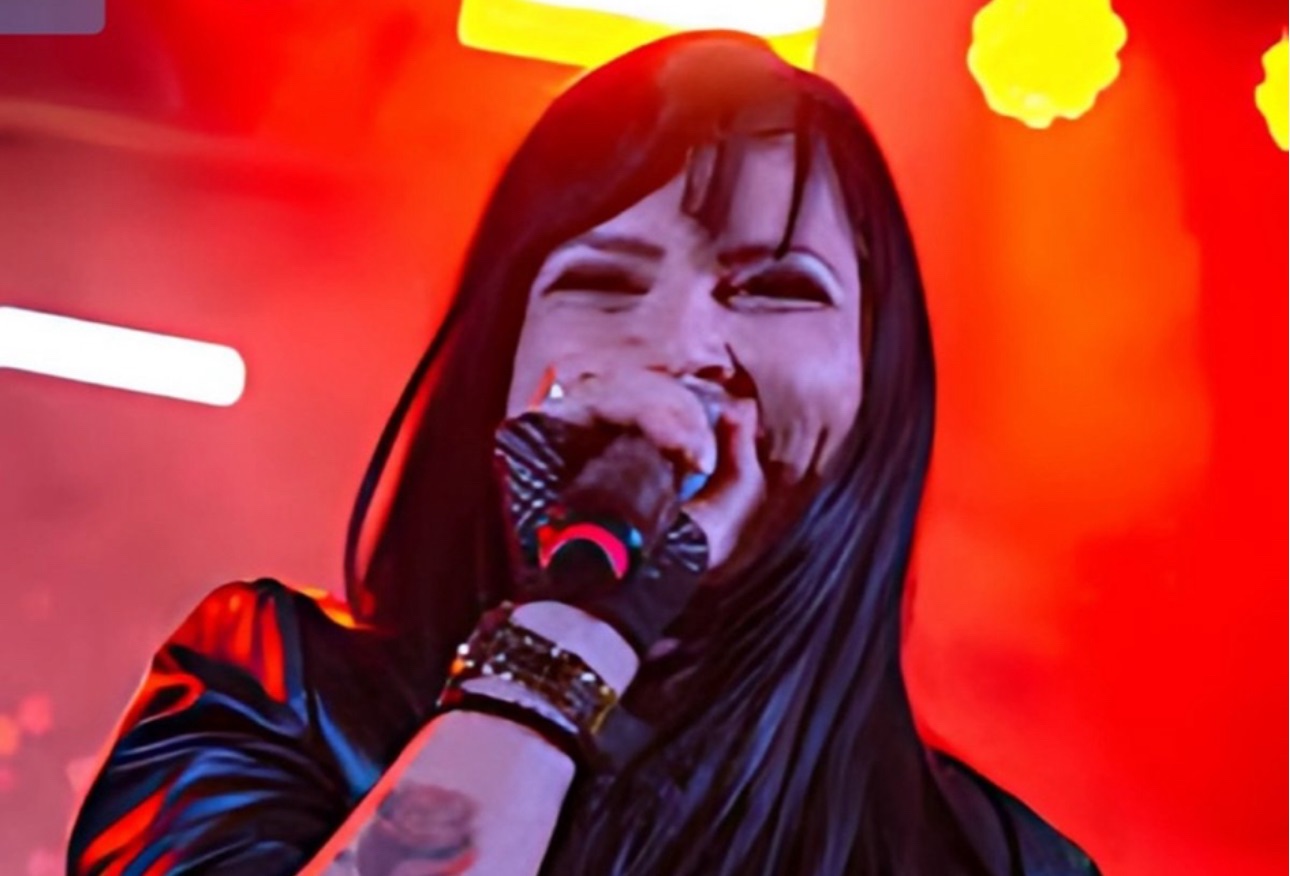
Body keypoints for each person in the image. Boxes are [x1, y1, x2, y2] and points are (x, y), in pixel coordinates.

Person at [66, 30, 1101, 876]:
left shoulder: (999, 864)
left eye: (779, 288)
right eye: (603, 281)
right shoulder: (274, 688)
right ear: (501, 363)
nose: (683, 347)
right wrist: (573, 631)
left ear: (882, 390)